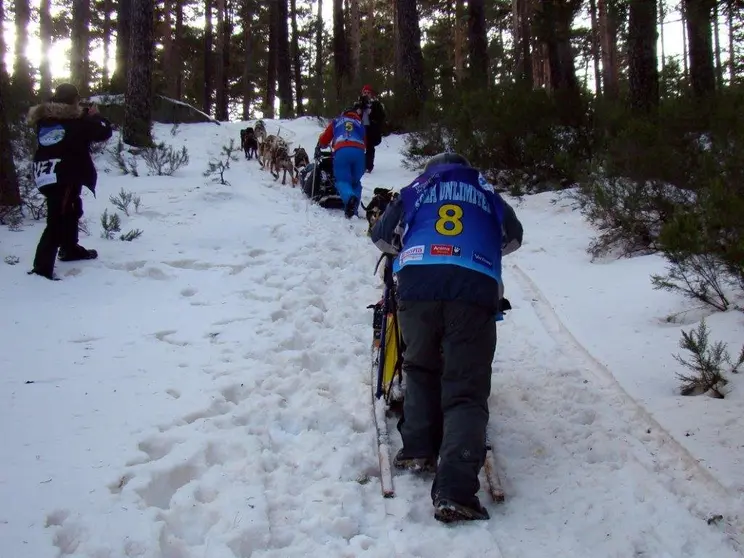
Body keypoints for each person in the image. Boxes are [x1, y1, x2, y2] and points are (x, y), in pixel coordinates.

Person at [369, 152, 523, 523]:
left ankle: (418, 447)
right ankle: (454, 491)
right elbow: (514, 239)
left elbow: (381, 237)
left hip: (418, 283)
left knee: (420, 366)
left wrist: (411, 248)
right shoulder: (487, 192)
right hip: (474, 285)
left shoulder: (416, 189)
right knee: (466, 389)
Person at [27, 83, 113, 280]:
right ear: (75, 100)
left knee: (71, 209)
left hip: (47, 172)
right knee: (57, 218)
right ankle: (42, 268)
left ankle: (69, 249)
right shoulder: (77, 122)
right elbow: (104, 132)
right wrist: (95, 116)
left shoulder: (46, 119)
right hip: (63, 174)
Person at [316, 105, 366, 218]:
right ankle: (354, 212)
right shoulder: (360, 124)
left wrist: (321, 145)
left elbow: (324, 140)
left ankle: (349, 199)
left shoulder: (337, 121)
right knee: (355, 182)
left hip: (342, 151)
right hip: (359, 153)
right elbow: (365, 142)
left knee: (342, 180)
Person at [357, 85, 386, 173]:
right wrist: (358, 112)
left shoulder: (376, 104)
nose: (366, 94)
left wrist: (372, 114)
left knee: (370, 147)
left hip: (372, 130)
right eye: (364, 93)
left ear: (371, 94)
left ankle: (368, 166)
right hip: (360, 128)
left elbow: (381, 117)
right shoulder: (358, 104)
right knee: (358, 147)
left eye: (368, 93)